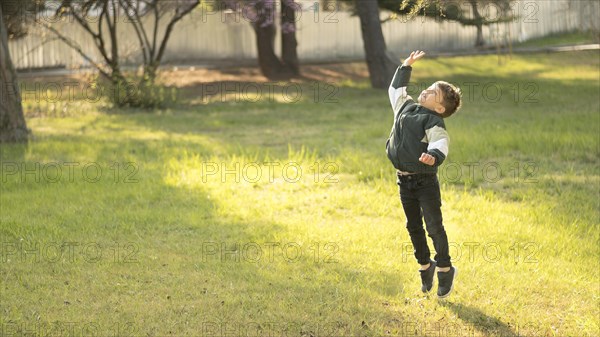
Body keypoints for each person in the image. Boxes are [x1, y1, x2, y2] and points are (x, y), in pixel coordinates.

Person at [386, 50, 462, 298]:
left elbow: (440, 143)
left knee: (434, 226)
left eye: (433, 93)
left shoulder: (433, 120)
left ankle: (444, 267)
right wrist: (406, 66)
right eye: (428, 88)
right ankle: (424, 265)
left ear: (439, 107)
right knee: (413, 226)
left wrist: (433, 156)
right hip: (403, 180)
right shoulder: (405, 106)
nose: (426, 91)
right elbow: (395, 91)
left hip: (424, 181)